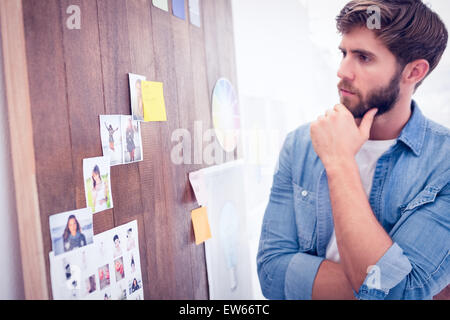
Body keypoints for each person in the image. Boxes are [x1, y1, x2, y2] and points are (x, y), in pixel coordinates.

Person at [257, 0, 449, 300]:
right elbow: (271, 273)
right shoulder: (301, 144)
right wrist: (379, 290)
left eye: (363, 57)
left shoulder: (444, 163)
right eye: (344, 53)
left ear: (414, 71)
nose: (342, 70)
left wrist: (340, 164)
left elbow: (398, 293)